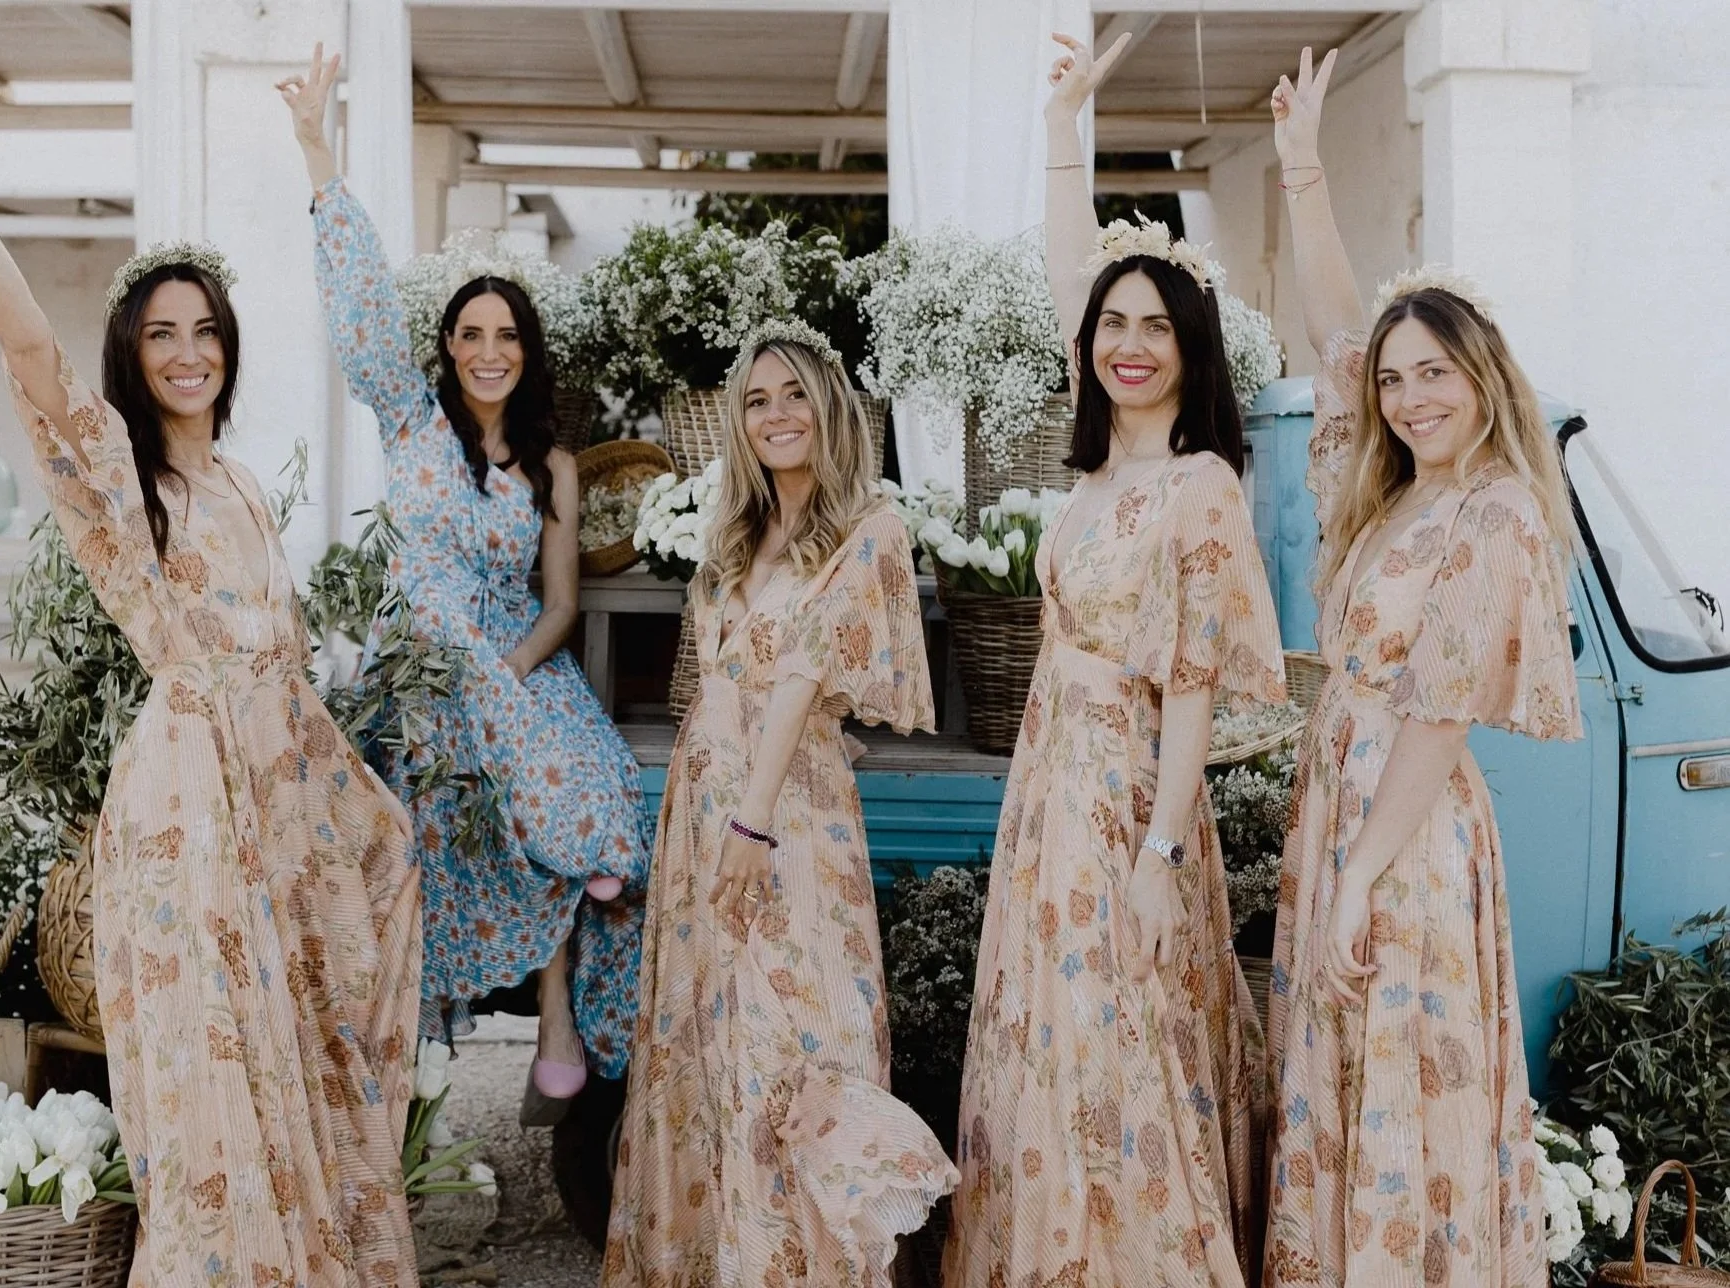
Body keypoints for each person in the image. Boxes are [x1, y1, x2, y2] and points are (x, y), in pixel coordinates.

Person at [0, 44, 423, 1285]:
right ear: (133, 351)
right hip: (189, 808)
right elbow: (34, 359)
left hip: (280, 801)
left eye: (206, 331)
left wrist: (356, 810)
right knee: (212, 1090)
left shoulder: (238, 483)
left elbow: (287, 676)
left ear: (228, 348)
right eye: (162, 333)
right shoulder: (123, 480)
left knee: (304, 1059)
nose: (188, 352)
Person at [941, 31, 1286, 1288]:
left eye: (1156, 326)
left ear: (1193, 347)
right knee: (1054, 1032)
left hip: (1129, 799)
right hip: (1051, 789)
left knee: (1118, 1032)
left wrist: (1158, 852)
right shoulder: (1100, 474)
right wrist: (1058, 132)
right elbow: (1065, 285)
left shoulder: (1200, 486)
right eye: (1114, 323)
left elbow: (1190, 682)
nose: (1127, 342)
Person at [1261, 47, 1582, 1288]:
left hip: (1405, 828)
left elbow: (1440, 717)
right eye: (1396, 381)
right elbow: (1340, 334)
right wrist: (1301, 172)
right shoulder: (1397, 494)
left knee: (1398, 1066)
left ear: (1481, 373)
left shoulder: (1497, 513)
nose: (1406, 397)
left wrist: (1357, 875)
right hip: (1344, 809)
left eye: (1433, 373)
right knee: (1343, 1068)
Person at [279, 47, 648, 1123]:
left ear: (528, 352)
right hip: (419, 675)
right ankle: (411, 1069)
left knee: (572, 781)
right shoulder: (412, 424)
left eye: (507, 336)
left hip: (513, 663)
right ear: (446, 344)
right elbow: (357, 309)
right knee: (441, 807)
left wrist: (510, 669)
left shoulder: (554, 465)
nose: (490, 351)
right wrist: (317, 150)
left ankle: (559, 1016)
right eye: (472, 334)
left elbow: (563, 603)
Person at [602, 319, 957, 1286]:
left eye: (794, 393)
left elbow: (803, 679)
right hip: (705, 804)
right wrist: (717, 814)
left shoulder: (870, 530)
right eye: (757, 401)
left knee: (800, 1033)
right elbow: (717, 680)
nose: (776, 415)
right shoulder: (735, 536)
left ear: (830, 406)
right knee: (710, 1040)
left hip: (784, 815)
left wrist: (753, 822)